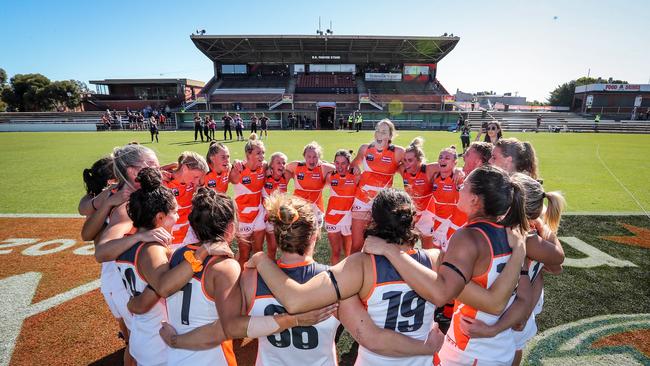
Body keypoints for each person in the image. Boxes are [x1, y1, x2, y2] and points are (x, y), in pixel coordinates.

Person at [247, 189, 521, 365]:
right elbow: (493, 302)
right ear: (411, 221)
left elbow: (296, 299)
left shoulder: (361, 266)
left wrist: (260, 258)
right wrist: (519, 253)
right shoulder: (436, 259)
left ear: (374, 222)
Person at [362, 165, 529, 366]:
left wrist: (391, 251)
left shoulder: (469, 237)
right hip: (501, 346)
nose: (459, 187)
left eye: (464, 185)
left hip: (470, 351)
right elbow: (525, 298)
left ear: (475, 198)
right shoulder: (512, 234)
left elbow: (445, 293)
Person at [157, 190, 338, 366]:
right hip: (213, 358)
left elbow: (160, 289)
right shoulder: (337, 280)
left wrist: (175, 341)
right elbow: (227, 328)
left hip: (174, 356)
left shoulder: (176, 255)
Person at [88, 144, 162, 366]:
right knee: (140, 345)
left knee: (137, 342)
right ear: (133, 172)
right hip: (123, 283)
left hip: (130, 278)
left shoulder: (137, 194)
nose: (158, 169)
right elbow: (101, 251)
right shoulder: (128, 205)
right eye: (153, 165)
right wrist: (139, 237)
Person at [349, 119, 405, 253]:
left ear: (390, 136)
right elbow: (354, 164)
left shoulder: (398, 152)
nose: (379, 134)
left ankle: (373, 272)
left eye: (384, 132)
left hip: (383, 203)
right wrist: (356, 170)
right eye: (378, 131)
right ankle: (354, 272)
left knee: (379, 246)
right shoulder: (365, 148)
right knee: (356, 245)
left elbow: (410, 167)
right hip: (362, 200)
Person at [229, 134, 267, 266]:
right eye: (258, 153)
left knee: (258, 251)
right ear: (248, 155)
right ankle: (240, 280)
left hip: (259, 214)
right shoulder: (237, 171)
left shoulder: (264, 167)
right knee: (244, 254)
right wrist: (234, 163)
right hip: (243, 217)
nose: (262, 156)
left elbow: (278, 163)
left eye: (263, 153)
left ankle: (256, 281)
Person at [163, 152, 210, 250]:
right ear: (184, 168)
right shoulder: (163, 181)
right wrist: (157, 171)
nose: (197, 182)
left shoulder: (192, 183)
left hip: (188, 233)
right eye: (196, 177)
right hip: (169, 236)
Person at [284, 141, 335, 229]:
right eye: (309, 156)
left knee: (313, 235)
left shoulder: (324, 167)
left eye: (315, 157)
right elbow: (281, 168)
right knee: (298, 235)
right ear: (304, 156)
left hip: (316, 207)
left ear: (319, 157)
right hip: (298, 206)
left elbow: (342, 169)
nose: (312, 160)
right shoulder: (296, 166)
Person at [426, 146, 467, 252]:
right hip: (437, 222)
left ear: (455, 162)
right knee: (436, 253)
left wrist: (459, 170)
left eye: (447, 158)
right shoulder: (435, 177)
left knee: (448, 255)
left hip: (450, 224)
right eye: (440, 157)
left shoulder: (458, 178)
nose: (442, 160)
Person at [324, 149, 358, 264]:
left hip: (348, 218)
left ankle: (348, 276)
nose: (340, 166)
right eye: (337, 163)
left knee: (348, 252)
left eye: (343, 163)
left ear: (349, 163)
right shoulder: (330, 176)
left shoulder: (355, 175)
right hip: (332, 218)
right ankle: (335, 277)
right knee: (336, 252)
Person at [262, 152, 288, 260]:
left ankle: (272, 269)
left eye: (283, 163)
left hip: (276, 218)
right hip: (260, 216)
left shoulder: (286, 176)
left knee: (274, 248)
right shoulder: (263, 175)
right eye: (278, 163)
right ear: (271, 165)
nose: (281, 165)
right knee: (251, 247)